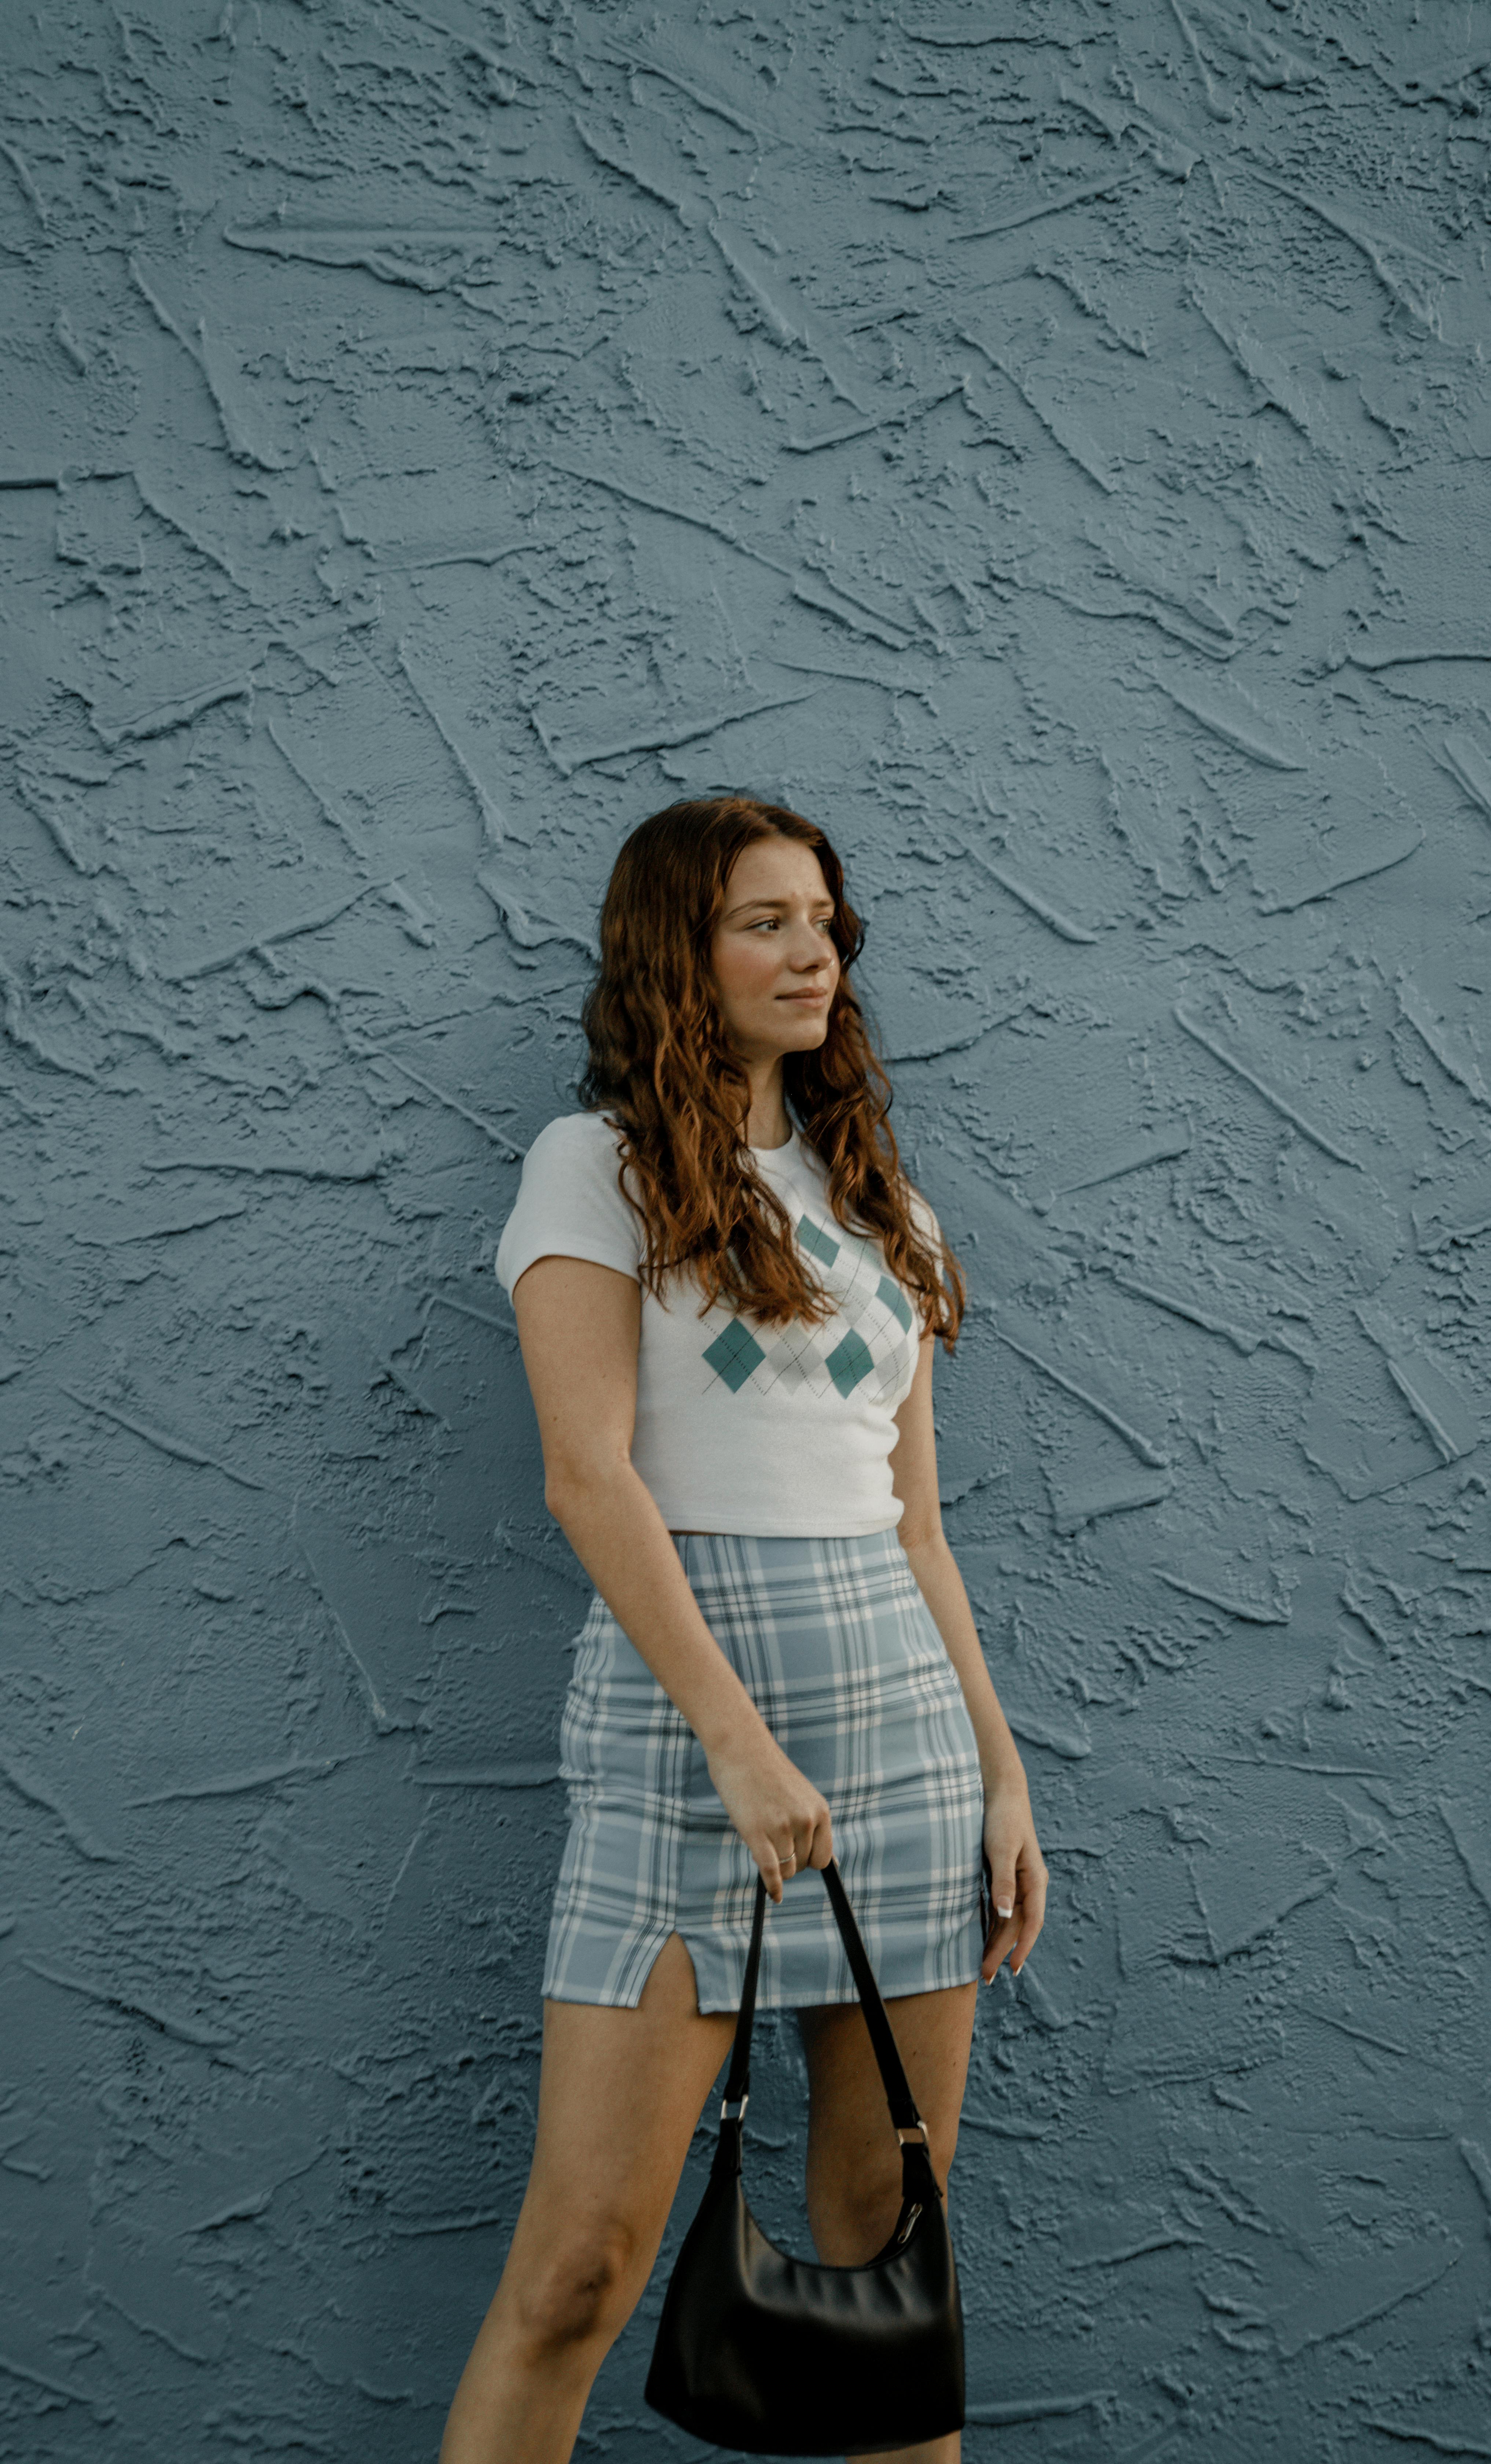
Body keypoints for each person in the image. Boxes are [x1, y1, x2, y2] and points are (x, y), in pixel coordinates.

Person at [440, 794, 1048, 2464]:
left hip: (906, 1745)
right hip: (688, 1735)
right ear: (674, 955)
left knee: (886, 2254)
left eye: (825, 923)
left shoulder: (877, 1198)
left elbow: (915, 1524)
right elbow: (591, 1482)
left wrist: (1001, 1775)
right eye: (764, 921)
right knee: (578, 2269)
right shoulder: (599, 1167)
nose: (813, 952)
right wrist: (737, 1742)